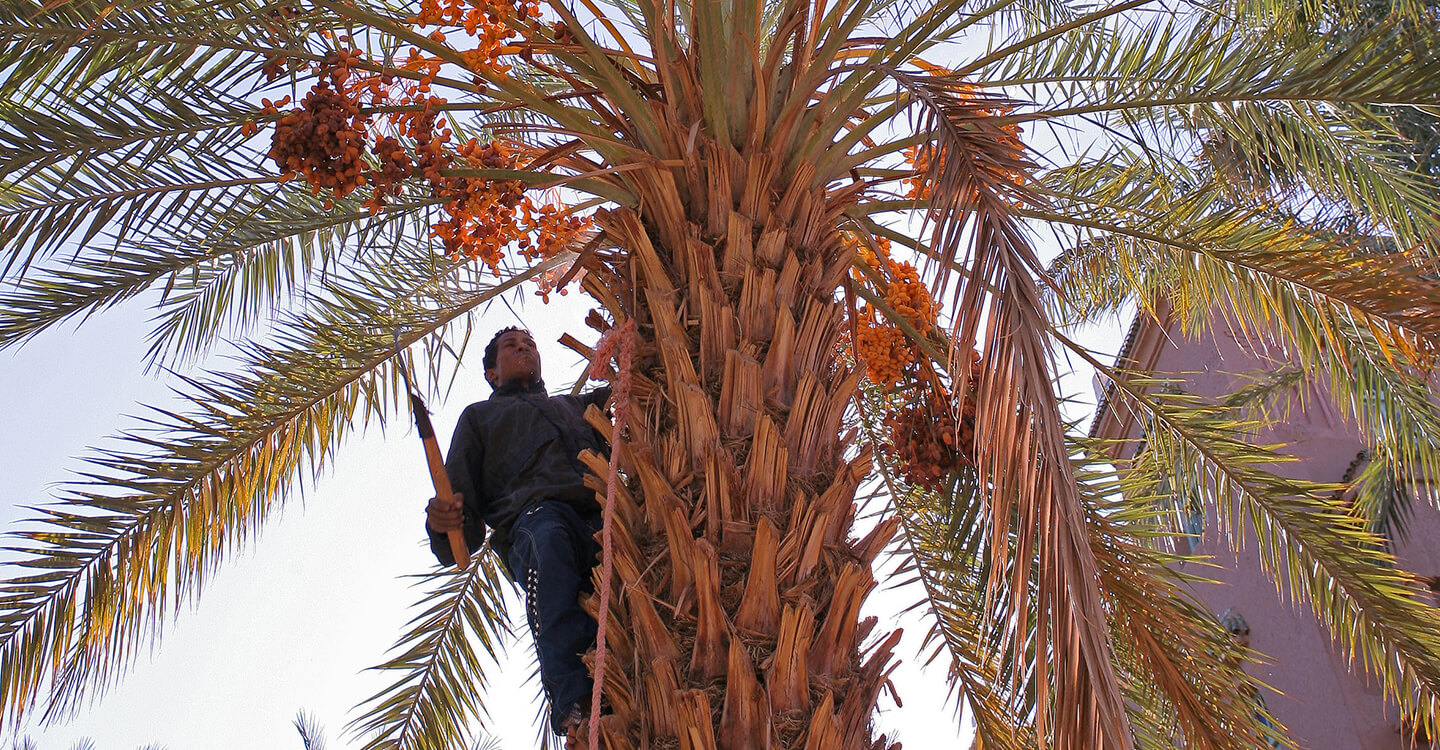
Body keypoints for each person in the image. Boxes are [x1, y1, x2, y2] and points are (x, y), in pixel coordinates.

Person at [425, 326, 611, 744]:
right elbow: (461, 513)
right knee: (552, 562)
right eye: (511, 346)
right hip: (536, 519)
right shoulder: (479, 418)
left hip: (604, 520)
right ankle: (576, 706)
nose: (524, 348)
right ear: (492, 372)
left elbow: (633, 397)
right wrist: (444, 522)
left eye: (529, 344)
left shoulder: (576, 406)